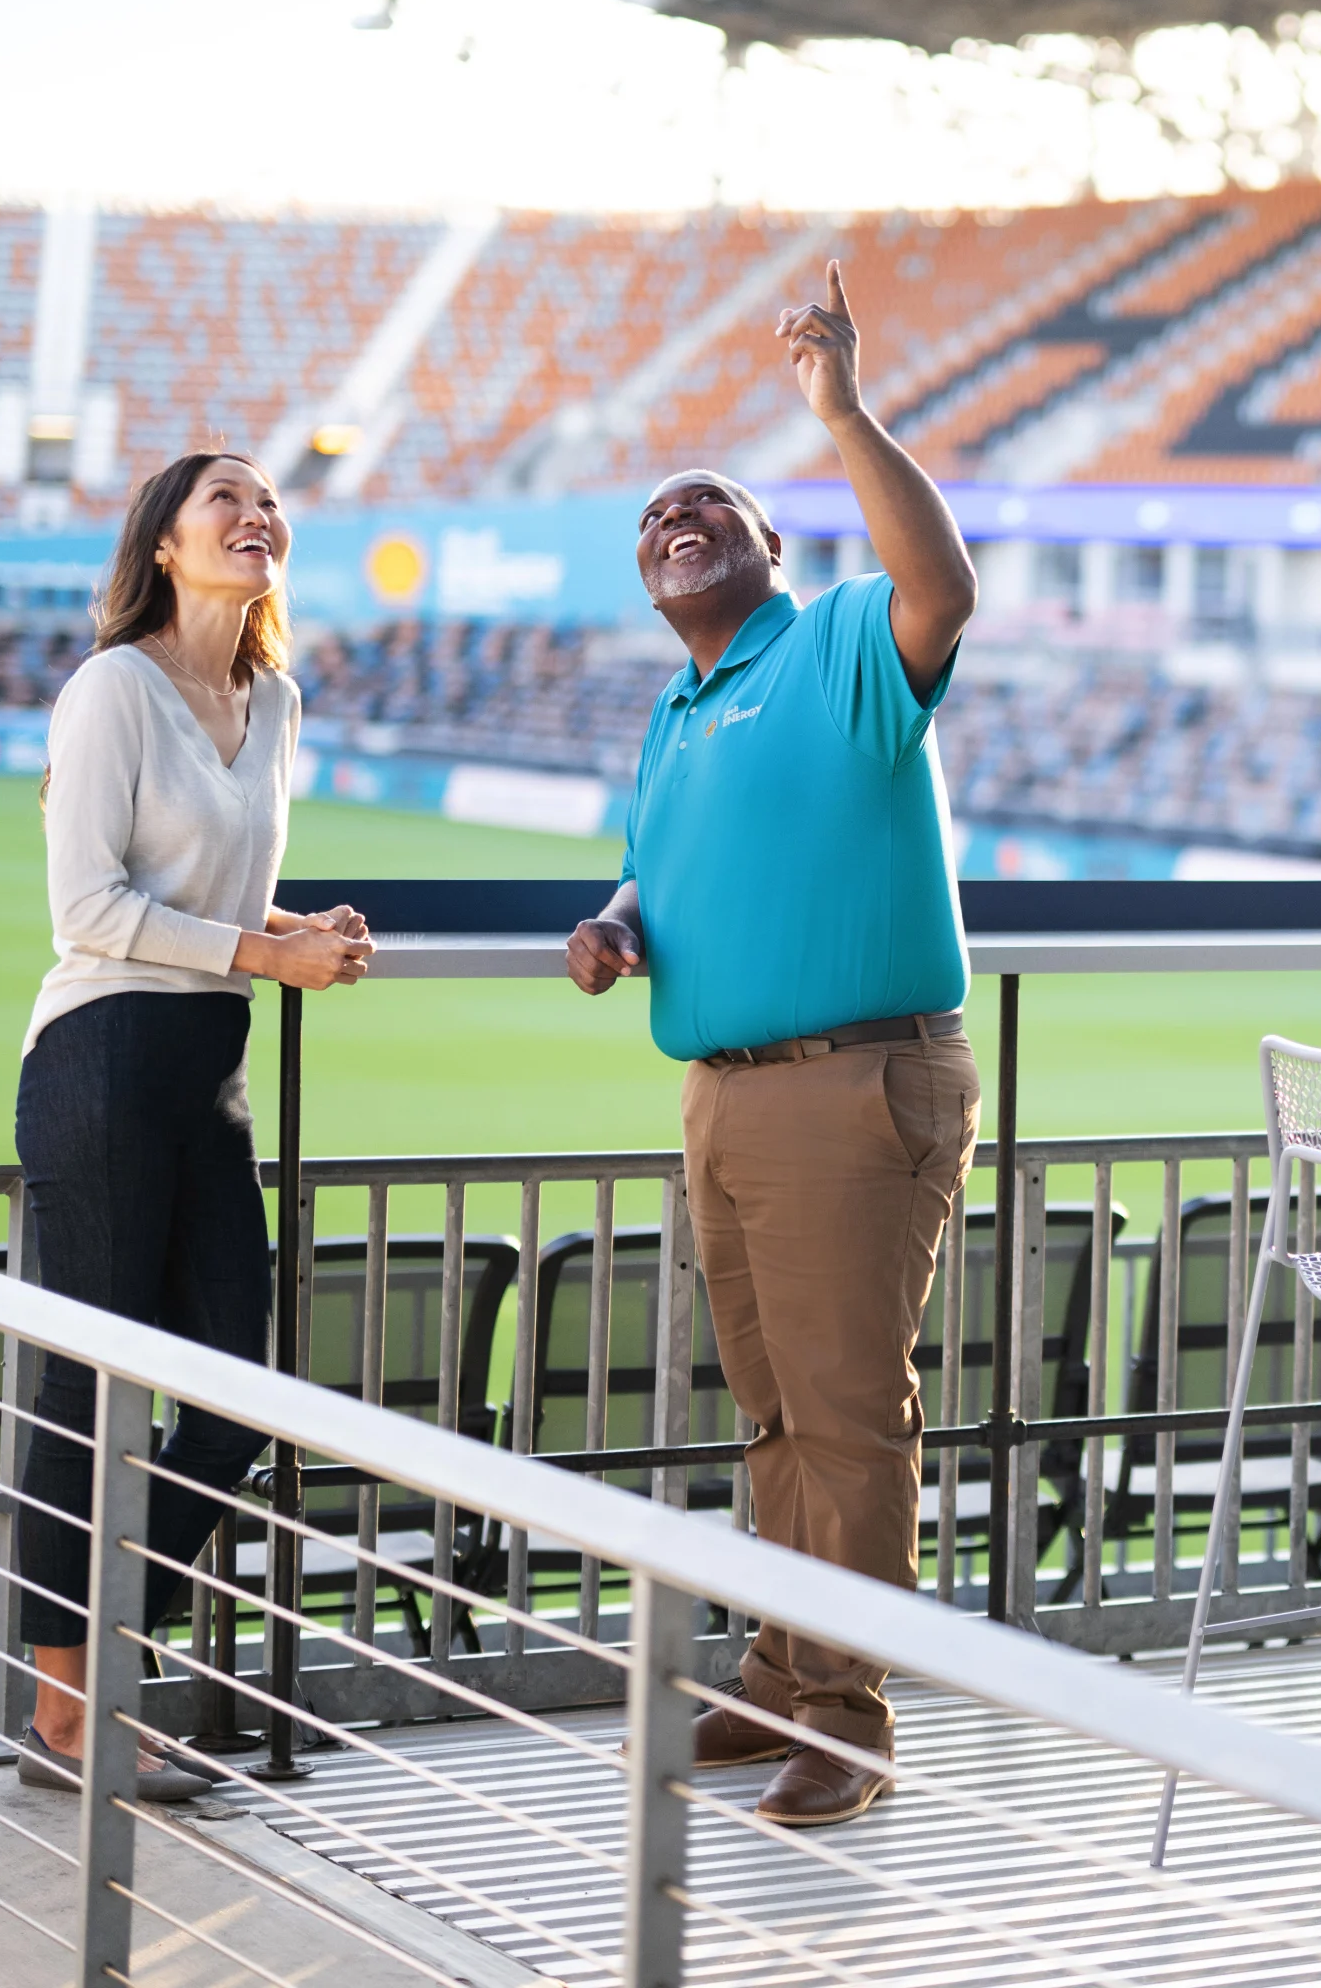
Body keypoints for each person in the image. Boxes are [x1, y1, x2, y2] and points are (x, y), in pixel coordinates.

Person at [566, 261, 977, 1832]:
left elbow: (944, 589)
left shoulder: (842, 644)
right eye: (656, 522)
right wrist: (616, 923)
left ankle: (850, 1718)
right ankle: (782, 1669)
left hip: (850, 1084)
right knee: (772, 1409)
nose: (678, 526)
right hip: (727, 1098)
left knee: (846, 1407)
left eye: (712, 510)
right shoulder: (679, 712)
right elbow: (659, 876)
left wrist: (845, 413)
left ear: (772, 548)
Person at [13, 450, 374, 1800]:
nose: (255, 515)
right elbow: (90, 911)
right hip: (101, 1053)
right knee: (89, 1385)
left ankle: (98, 1655)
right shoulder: (113, 687)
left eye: (269, 501)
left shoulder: (275, 701)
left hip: (202, 1072)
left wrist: (297, 926)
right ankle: (68, 1716)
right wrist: (265, 956)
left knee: (236, 1401)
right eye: (224, 498)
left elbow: (215, 883)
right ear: (163, 542)